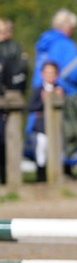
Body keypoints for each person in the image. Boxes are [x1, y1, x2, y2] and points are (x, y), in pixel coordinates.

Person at [33, 9, 77, 96]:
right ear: (68, 26)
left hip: (39, 93)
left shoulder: (44, 43)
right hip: (63, 94)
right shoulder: (66, 44)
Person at [0, 18, 28, 185]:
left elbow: (18, 74)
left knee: (8, 140)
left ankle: (9, 178)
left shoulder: (14, 49)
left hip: (9, 99)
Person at [26, 61, 62, 182]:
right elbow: (30, 107)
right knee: (41, 151)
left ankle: (57, 176)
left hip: (57, 127)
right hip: (41, 127)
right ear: (42, 74)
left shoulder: (60, 89)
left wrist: (60, 97)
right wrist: (43, 100)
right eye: (47, 72)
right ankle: (41, 177)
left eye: (52, 72)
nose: (50, 75)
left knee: (57, 151)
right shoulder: (38, 90)